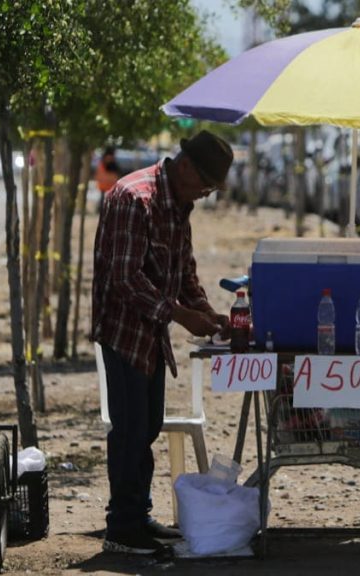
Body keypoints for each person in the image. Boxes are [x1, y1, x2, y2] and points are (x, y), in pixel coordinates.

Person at [91, 130, 233, 556]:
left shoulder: (178, 205)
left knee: (148, 426)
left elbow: (182, 268)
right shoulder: (133, 198)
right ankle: (122, 526)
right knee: (131, 430)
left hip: (152, 332)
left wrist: (205, 312)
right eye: (204, 185)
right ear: (186, 167)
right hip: (124, 331)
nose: (204, 195)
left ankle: (138, 515)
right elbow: (124, 278)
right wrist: (179, 314)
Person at [94, 147, 120, 214]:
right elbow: (113, 168)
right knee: (108, 196)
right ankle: (103, 208)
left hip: (104, 181)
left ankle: (101, 208)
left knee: (103, 196)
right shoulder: (109, 158)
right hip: (108, 180)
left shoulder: (103, 159)